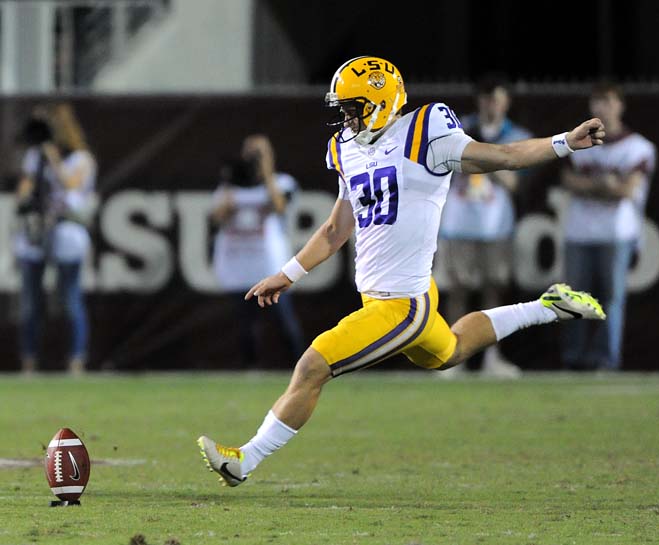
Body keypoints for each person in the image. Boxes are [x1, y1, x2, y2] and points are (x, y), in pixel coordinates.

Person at [197, 56, 607, 487]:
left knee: (312, 366)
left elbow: (502, 155)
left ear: (380, 100)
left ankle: (245, 459)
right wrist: (289, 273)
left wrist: (564, 142)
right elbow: (337, 228)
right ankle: (548, 306)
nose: (346, 117)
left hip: (401, 304)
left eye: (353, 106)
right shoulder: (345, 148)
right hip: (391, 297)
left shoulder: (425, 129)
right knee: (451, 350)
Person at [438, 73, 532, 378]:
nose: (491, 105)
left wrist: (489, 159)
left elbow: (515, 181)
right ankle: (455, 357)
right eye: (487, 98)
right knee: (458, 290)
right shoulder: (460, 130)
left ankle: (492, 357)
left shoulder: (515, 135)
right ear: (479, 101)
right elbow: (442, 169)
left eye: (497, 99)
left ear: (506, 103)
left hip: (495, 226)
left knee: (494, 290)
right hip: (459, 222)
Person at [559, 82, 656, 371]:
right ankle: (572, 358)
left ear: (620, 105)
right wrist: (603, 185)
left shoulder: (639, 146)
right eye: (598, 101)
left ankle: (606, 359)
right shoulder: (577, 141)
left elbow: (627, 190)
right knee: (573, 297)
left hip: (617, 233)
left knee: (611, 300)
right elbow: (567, 180)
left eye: (609, 101)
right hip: (579, 232)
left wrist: (590, 187)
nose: (604, 107)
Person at [13, 103, 97, 375]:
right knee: (31, 301)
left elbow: (71, 184)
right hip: (37, 231)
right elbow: (23, 191)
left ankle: (76, 359)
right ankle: (29, 361)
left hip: (66, 230)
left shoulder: (82, 159)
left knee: (70, 297)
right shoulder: (34, 157)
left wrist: (52, 156)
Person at [211, 134, 305, 365]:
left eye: (258, 154)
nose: (252, 159)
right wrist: (232, 183)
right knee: (246, 326)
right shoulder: (229, 187)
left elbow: (280, 206)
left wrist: (266, 173)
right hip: (240, 266)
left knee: (285, 323)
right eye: (250, 153)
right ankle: (250, 372)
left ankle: (302, 369)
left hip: (269, 266)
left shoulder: (282, 183)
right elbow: (216, 218)